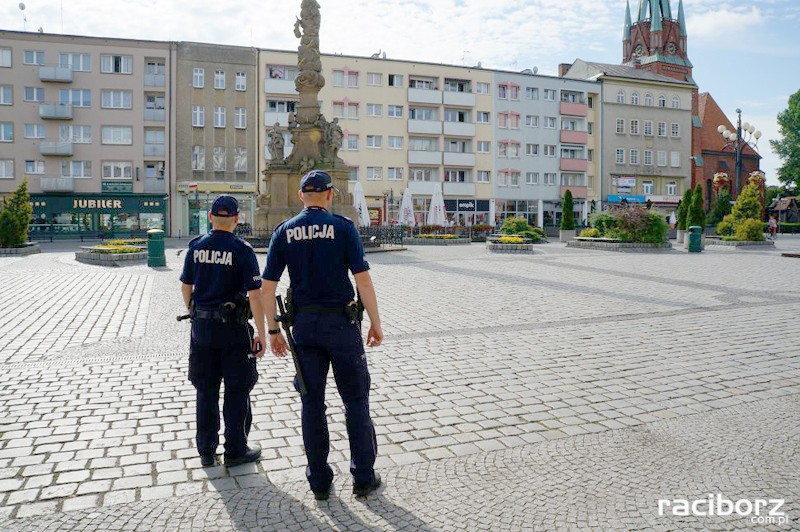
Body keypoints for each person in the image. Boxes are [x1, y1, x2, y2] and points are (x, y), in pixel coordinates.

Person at [261, 170, 383, 501]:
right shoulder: (343, 228)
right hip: (342, 327)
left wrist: (273, 329)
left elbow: (267, 286)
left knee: (311, 403)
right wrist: (375, 322)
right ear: (330, 195)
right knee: (355, 401)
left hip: (304, 329)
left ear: (301, 196)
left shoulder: (284, 231)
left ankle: (319, 482)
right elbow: (364, 281)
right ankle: (363, 477)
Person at [180, 195, 266, 468]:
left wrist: (195, 310)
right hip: (233, 330)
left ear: (210, 217)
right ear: (237, 219)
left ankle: (206, 450)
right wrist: (262, 333)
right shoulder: (242, 249)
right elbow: (255, 294)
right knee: (237, 390)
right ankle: (235, 450)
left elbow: (186, 286)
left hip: (202, 330)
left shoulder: (197, 246)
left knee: (205, 389)